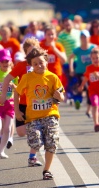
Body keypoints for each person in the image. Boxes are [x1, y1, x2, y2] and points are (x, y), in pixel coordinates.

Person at [14, 47, 65, 180]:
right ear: (31, 65)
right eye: (35, 64)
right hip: (33, 118)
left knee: (52, 143)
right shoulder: (27, 77)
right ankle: (34, 152)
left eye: (41, 62)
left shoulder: (52, 77)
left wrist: (59, 96)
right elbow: (17, 92)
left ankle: (46, 170)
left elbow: (62, 96)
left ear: (46, 62)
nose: (38, 66)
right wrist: (17, 110)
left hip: (51, 114)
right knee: (36, 142)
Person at [0, 37, 43, 166]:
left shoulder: (42, 64)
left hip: (36, 103)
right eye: (30, 52)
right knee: (21, 132)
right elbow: (7, 79)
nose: (33, 54)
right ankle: (34, 135)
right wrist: (3, 95)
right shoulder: (21, 65)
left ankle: (32, 157)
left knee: (36, 132)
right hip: (22, 102)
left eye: (35, 50)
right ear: (26, 53)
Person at [80, 48, 99, 132]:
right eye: (93, 58)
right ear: (91, 59)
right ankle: (96, 123)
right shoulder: (89, 68)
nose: (95, 60)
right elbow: (86, 77)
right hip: (93, 91)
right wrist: (82, 85)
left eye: (97, 58)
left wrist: (98, 76)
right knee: (95, 105)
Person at [68, 30, 94, 112]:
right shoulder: (78, 50)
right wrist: (71, 69)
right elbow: (70, 58)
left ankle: (89, 105)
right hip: (80, 72)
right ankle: (78, 101)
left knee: (90, 89)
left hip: (91, 73)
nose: (84, 39)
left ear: (89, 38)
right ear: (80, 38)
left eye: (85, 37)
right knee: (81, 87)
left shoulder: (93, 48)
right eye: (82, 37)